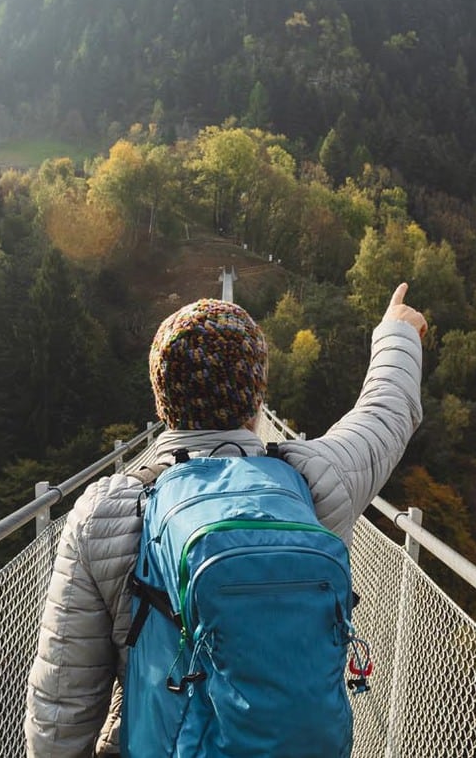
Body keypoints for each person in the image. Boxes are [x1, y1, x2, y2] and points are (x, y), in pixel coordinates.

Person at [24, 284, 426, 757]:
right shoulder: (318, 481)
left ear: (161, 401)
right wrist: (398, 332)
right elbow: (385, 413)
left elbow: (63, 708)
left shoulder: (107, 511)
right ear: (257, 399)